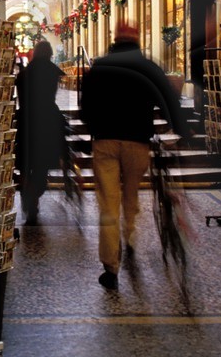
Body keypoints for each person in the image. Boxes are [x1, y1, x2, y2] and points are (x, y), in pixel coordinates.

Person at [78, 21, 189, 289]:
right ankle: (128, 237)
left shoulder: (99, 68)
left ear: (115, 40)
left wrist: (94, 127)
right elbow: (168, 100)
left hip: (105, 142)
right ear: (137, 40)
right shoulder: (148, 67)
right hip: (137, 143)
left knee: (108, 204)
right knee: (131, 195)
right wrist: (181, 130)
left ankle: (110, 266)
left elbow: (85, 107)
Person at [14, 38, 67, 224]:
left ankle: (28, 193)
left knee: (25, 162)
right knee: (41, 165)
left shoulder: (23, 74)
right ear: (50, 54)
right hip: (46, 121)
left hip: (26, 121)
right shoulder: (52, 72)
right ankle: (33, 195)